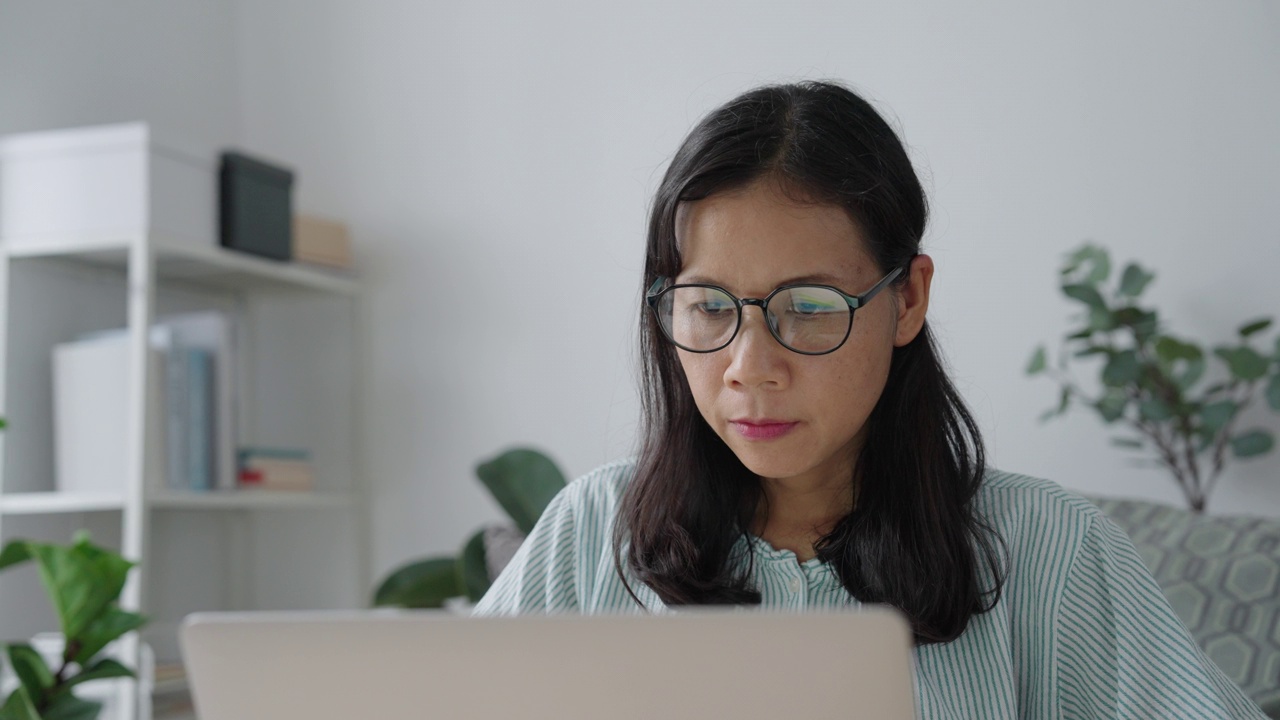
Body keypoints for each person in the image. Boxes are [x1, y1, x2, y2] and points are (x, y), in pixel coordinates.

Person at [472, 80, 1265, 719]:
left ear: (908, 301)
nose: (750, 368)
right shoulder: (589, 536)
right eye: (710, 306)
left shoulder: (1050, 551)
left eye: (810, 308)